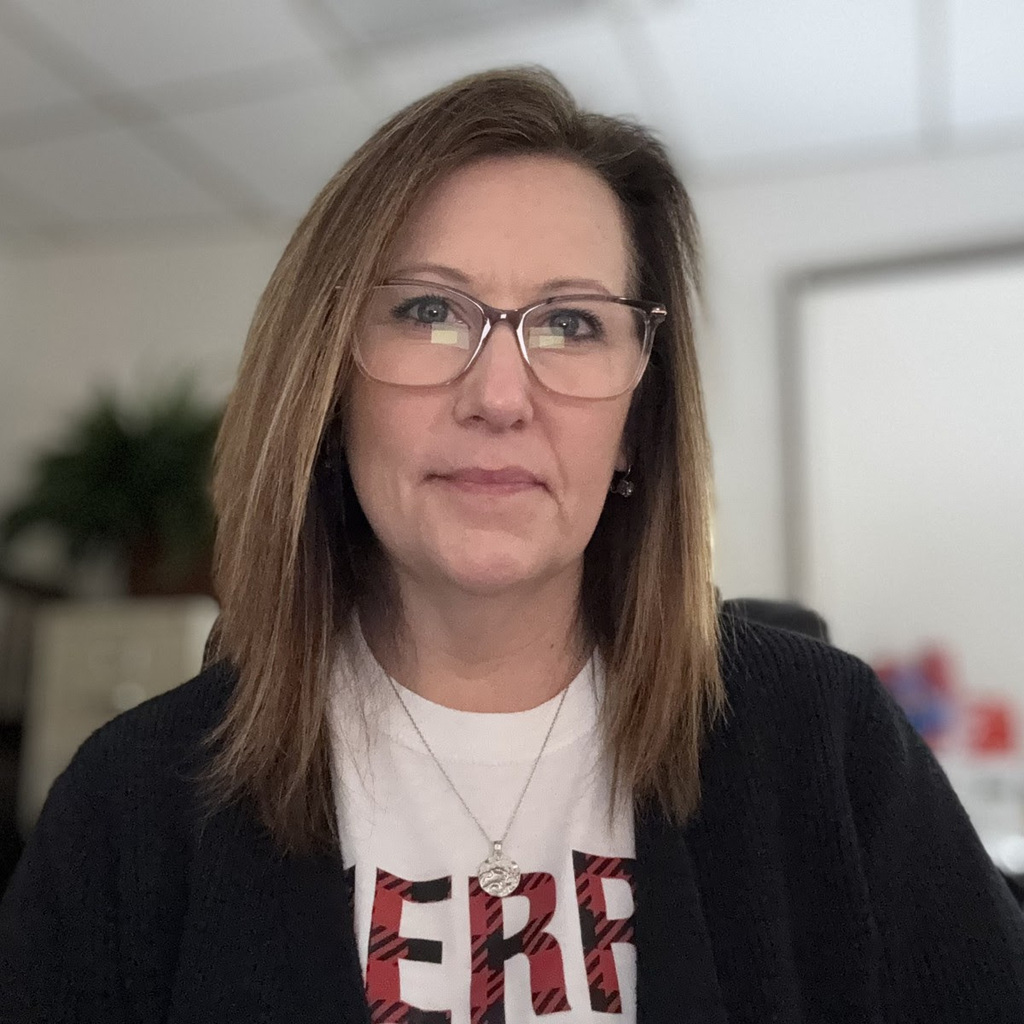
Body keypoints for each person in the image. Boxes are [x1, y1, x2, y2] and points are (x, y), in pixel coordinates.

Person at [1, 66, 1022, 1024]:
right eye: (428, 311)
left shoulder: (827, 743)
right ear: (329, 391)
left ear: (638, 421)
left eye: (572, 324)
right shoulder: (128, 806)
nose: (498, 396)